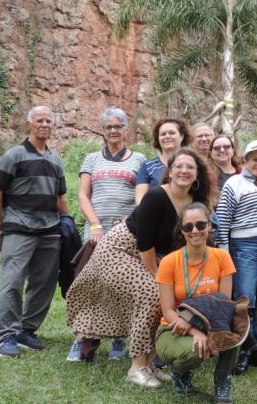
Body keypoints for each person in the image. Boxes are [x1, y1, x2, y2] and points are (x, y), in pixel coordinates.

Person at [66, 148, 213, 387]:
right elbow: (144, 242)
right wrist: (157, 276)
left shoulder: (195, 202)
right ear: (171, 171)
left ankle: (152, 363)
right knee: (153, 294)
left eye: (190, 167)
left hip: (153, 256)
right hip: (119, 251)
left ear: (197, 175)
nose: (184, 171)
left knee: (165, 298)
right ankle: (136, 367)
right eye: (179, 166)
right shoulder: (156, 197)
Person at [0, 106, 69, 357]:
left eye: (48, 120)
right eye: (39, 120)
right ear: (29, 125)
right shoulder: (15, 155)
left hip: (49, 230)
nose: (44, 124)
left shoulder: (55, 159)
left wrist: (67, 224)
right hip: (19, 228)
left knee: (44, 283)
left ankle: (26, 329)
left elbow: (60, 196)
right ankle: (6, 336)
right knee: (12, 281)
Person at [68, 107, 146, 362]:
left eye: (118, 126)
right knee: (90, 282)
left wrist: (132, 221)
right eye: (108, 127)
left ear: (126, 129)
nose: (113, 131)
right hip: (95, 231)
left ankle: (119, 337)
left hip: (126, 233)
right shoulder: (92, 159)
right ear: (102, 131)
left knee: (122, 284)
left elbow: (142, 197)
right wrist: (95, 225)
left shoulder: (139, 159)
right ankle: (81, 339)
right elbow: (82, 195)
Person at [155, 202, 240, 402]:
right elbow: (167, 310)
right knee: (194, 351)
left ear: (210, 226)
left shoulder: (222, 257)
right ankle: (180, 373)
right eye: (188, 226)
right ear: (182, 230)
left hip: (212, 322)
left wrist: (198, 323)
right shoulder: (169, 262)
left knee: (236, 326)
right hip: (173, 328)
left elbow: (223, 303)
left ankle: (223, 380)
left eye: (201, 225)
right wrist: (195, 331)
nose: (195, 231)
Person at [215, 139, 257, 374]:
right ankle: (244, 348)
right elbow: (222, 218)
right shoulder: (234, 183)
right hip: (244, 244)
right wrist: (224, 250)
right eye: (255, 159)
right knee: (245, 299)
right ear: (245, 161)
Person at [136, 117, 191, 203]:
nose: (167, 136)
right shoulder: (148, 166)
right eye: (163, 134)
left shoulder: (193, 164)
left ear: (182, 136)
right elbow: (140, 200)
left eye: (172, 133)